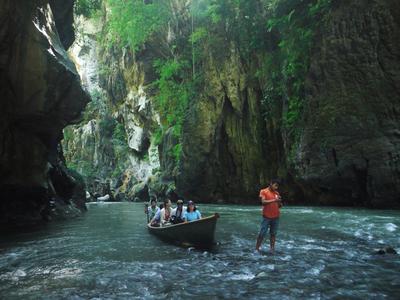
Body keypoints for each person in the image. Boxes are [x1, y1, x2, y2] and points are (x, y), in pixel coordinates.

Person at [255, 179, 282, 253]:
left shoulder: (276, 193)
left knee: (273, 234)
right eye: (275, 185)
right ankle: (257, 248)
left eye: (277, 186)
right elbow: (263, 202)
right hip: (266, 216)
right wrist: (274, 200)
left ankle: (272, 249)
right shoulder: (263, 191)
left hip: (276, 216)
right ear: (271, 183)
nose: (276, 187)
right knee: (262, 233)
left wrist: (279, 202)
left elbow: (279, 206)